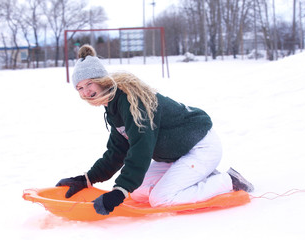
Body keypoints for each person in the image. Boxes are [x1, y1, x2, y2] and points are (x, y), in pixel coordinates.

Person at [56, 45, 254, 216]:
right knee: (139, 191)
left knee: (162, 198)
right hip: (178, 155)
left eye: (89, 83)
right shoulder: (113, 105)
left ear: (102, 79)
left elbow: (141, 147)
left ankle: (229, 180)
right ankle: (200, 176)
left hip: (200, 147)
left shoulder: (131, 100)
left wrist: (119, 191)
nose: (86, 92)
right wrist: (88, 179)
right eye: (80, 88)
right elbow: (118, 150)